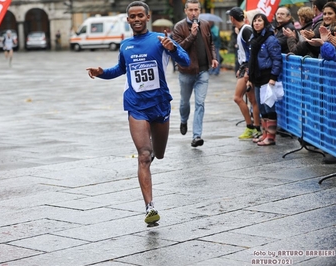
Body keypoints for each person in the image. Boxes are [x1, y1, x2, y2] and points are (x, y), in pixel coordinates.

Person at [86, 1, 190, 225]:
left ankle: (154, 152)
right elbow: (121, 70)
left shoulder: (160, 41)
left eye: (140, 15)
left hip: (160, 104)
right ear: (128, 20)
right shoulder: (125, 45)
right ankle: (149, 207)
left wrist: (173, 48)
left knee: (158, 154)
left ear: (148, 17)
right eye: (132, 16)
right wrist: (102, 72)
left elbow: (186, 61)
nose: (136, 19)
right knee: (144, 155)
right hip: (136, 105)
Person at [172, 0, 218, 147]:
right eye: (190, 10)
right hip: (186, 71)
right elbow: (179, 48)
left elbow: (210, 43)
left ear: (199, 10)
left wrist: (214, 58)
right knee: (185, 102)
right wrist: (192, 35)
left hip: (203, 71)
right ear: (186, 11)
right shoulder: (179, 27)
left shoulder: (204, 24)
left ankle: (197, 136)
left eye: (196, 10)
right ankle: (183, 120)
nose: (193, 13)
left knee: (200, 103)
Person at [247, 13, 282, 146]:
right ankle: (265, 133)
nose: (256, 23)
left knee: (269, 107)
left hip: (267, 77)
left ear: (265, 23)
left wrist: (273, 77)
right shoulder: (254, 38)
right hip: (257, 77)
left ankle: (271, 137)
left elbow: (277, 59)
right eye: (255, 21)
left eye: (259, 21)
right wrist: (250, 77)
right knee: (261, 107)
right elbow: (252, 60)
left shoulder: (270, 39)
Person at [227, 7, 261, 140]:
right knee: (252, 100)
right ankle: (255, 128)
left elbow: (252, 50)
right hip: (246, 66)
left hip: (248, 67)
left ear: (232, 18)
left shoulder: (246, 30)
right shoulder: (243, 30)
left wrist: (247, 70)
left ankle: (251, 126)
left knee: (237, 97)